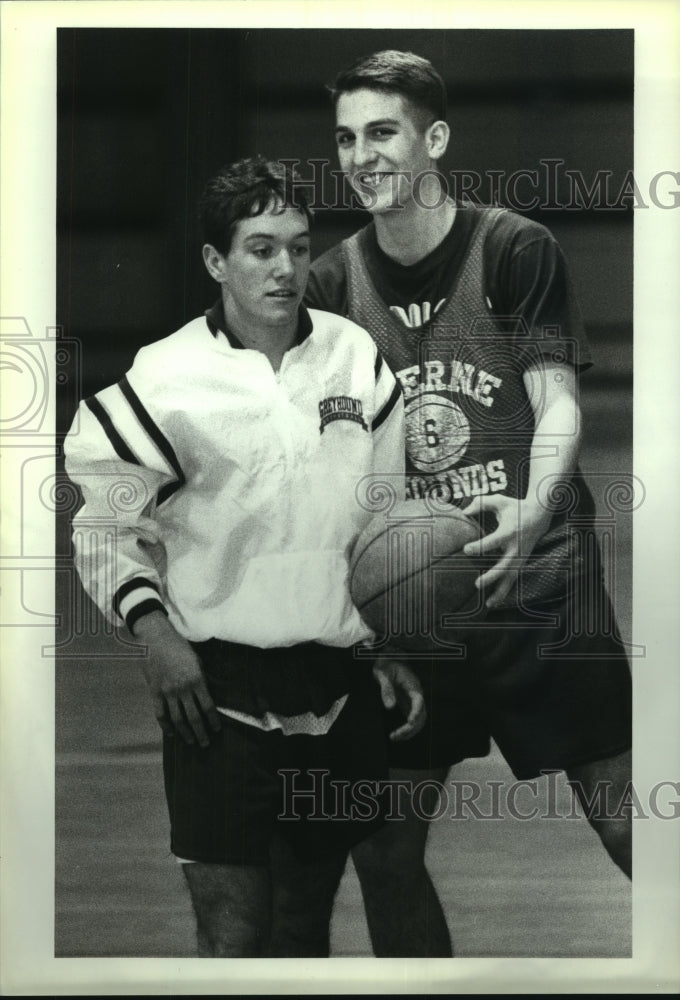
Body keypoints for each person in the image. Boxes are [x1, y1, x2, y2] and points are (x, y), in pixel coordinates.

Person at [304, 50, 633, 957]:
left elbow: (558, 398)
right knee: (386, 849)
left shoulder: (513, 247)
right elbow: (330, 469)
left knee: (628, 821)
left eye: (382, 133)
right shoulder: (332, 284)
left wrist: (532, 505)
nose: (361, 156)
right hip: (417, 608)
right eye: (345, 138)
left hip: (540, 587)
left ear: (434, 139)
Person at [63, 155, 425, 958]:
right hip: (216, 688)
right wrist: (155, 637)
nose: (286, 267)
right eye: (261, 248)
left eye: (298, 246)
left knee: (304, 925)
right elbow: (102, 522)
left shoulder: (353, 357)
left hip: (336, 678)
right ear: (215, 262)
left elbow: (387, 516)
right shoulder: (165, 378)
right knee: (233, 931)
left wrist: (387, 636)